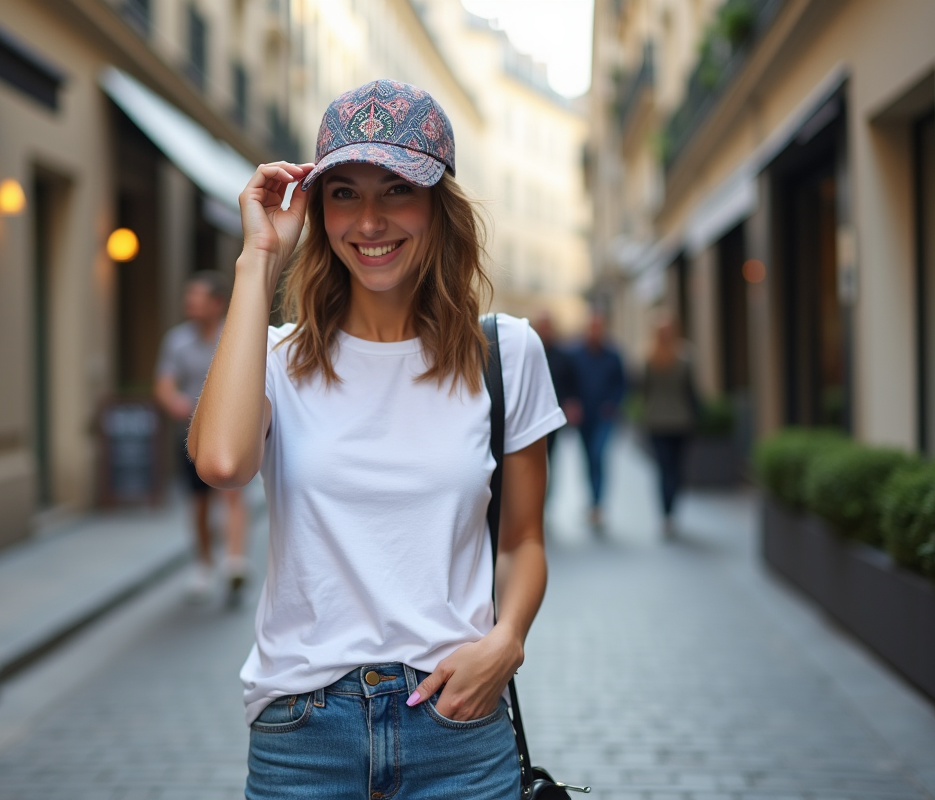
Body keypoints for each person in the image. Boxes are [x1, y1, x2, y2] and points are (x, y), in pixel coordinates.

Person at [188, 79, 564, 799]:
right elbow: (223, 461)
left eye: (396, 190)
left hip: (456, 723)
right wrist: (257, 259)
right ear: (318, 208)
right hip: (303, 734)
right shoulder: (274, 358)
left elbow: (523, 540)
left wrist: (507, 642)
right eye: (344, 193)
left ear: (437, 206)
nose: (369, 221)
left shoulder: (506, 353)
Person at [155, 271, 248, 601]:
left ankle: (235, 563)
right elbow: (164, 385)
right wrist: (175, 402)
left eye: (197, 299)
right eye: (188, 299)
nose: (190, 305)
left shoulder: (235, 335)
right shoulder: (177, 341)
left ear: (217, 303)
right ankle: (204, 565)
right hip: (191, 436)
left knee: (232, 495)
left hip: (228, 433)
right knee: (198, 504)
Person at [641, 315, 701, 538]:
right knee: (675, 469)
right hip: (678, 421)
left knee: (665, 469)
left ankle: (667, 514)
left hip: (661, 421)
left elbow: (644, 392)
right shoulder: (682, 356)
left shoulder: (651, 357)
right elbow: (691, 392)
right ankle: (670, 511)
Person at [567, 313, 625, 530]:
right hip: (584, 418)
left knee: (598, 454)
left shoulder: (613, 355)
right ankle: (592, 500)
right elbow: (569, 382)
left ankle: (598, 504)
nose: (594, 331)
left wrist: (613, 403)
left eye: (598, 327)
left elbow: (622, 384)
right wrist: (572, 403)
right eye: (591, 327)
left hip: (604, 416)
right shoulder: (575, 354)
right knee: (588, 458)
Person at [530, 310, 573, 479]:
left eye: (547, 327)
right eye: (542, 326)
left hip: (553, 415)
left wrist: (570, 403)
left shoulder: (562, 356)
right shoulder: (528, 352)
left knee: (550, 456)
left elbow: (570, 383)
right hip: (532, 416)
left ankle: (546, 494)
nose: (544, 330)